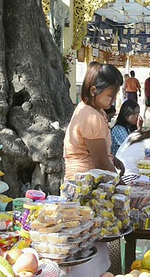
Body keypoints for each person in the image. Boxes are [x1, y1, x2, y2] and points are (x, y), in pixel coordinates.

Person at [62, 61, 124, 277]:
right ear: (94, 90)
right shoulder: (91, 117)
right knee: (92, 242)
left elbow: (97, 153)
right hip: (87, 189)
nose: (113, 100)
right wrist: (120, 184)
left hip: (80, 187)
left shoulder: (87, 109)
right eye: (111, 95)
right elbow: (100, 164)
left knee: (87, 241)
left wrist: (111, 157)